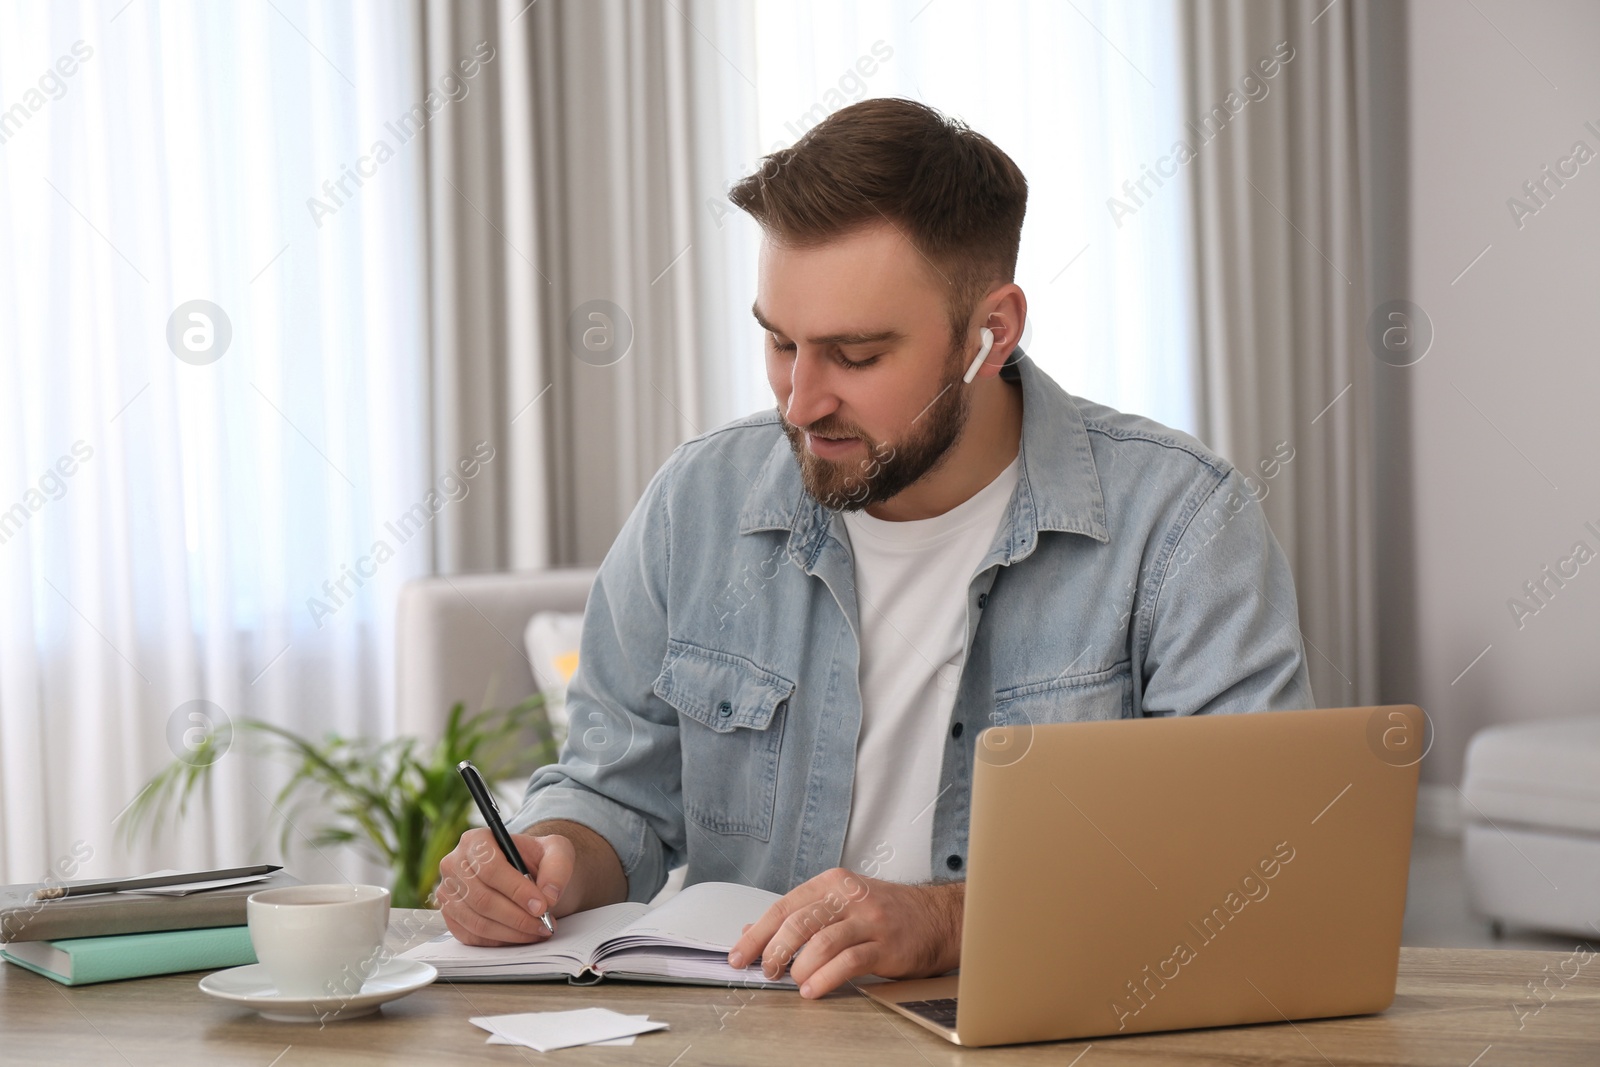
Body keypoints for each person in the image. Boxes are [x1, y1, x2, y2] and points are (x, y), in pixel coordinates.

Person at [437, 97, 1313, 999]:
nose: (799, 402)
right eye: (780, 341)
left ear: (992, 332)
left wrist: (944, 921)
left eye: (854, 355)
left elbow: (1254, 868)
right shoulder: (695, 505)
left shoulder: (1180, 524)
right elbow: (614, 793)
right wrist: (550, 858)